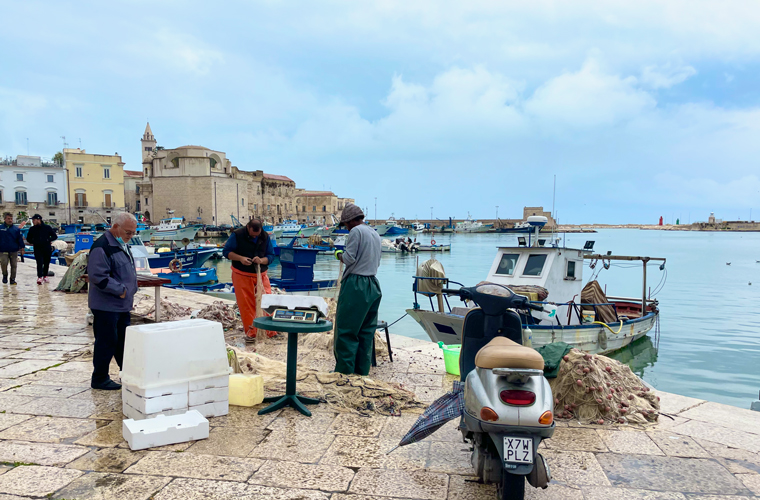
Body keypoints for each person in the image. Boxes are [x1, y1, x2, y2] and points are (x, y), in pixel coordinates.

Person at [87, 212, 138, 390]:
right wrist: (122, 290)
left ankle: (128, 374)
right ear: (116, 227)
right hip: (107, 305)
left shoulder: (121, 244)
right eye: (128, 232)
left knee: (123, 341)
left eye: (133, 233)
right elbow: (98, 276)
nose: (130, 236)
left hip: (121, 306)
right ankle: (99, 378)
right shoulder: (102, 246)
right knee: (106, 341)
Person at [333, 204, 382, 375]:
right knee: (366, 331)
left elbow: (349, 258)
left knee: (347, 329)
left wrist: (338, 254)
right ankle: (362, 371)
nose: (346, 228)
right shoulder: (375, 233)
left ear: (350, 221)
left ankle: (344, 372)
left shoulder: (356, 232)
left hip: (356, 284)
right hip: (373, 284)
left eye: (346, 224)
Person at [222, 219, 276, 343]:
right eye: (252, 234)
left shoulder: (265, 236)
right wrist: (240, 258)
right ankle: (252, 333)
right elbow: (226, 252)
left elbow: (271, 256)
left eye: (256, 235)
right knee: (247, 305)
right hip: (241, 274)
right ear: (248, 227)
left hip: (260, 274)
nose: (254, 236)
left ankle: (270, 331)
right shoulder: (237, 234)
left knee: (267, 301)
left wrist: (261, 260)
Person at [26, 214, 58, 285]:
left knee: (46, 262)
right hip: (37, 248)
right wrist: (34, 241)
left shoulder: (47, 228)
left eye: (34, 220)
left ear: (38, 220)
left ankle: (45, 275)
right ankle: (39, 276)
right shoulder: (32, 229)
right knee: (39, 262)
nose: (33, 222)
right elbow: (28, 238)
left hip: (46, 247)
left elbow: (54, 236)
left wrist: (48, 239)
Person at [0, 212, 24, 285]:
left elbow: (20, 239)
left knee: (14, 265)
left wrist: (22, 248)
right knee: (4, 263)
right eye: (8, 219)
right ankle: (5, 275)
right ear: (4, 219)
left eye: (11, 219)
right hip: (3, 250)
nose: (10, 220)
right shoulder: (0, 228)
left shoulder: (16, 229)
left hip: (13, 250)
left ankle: (12, 279)